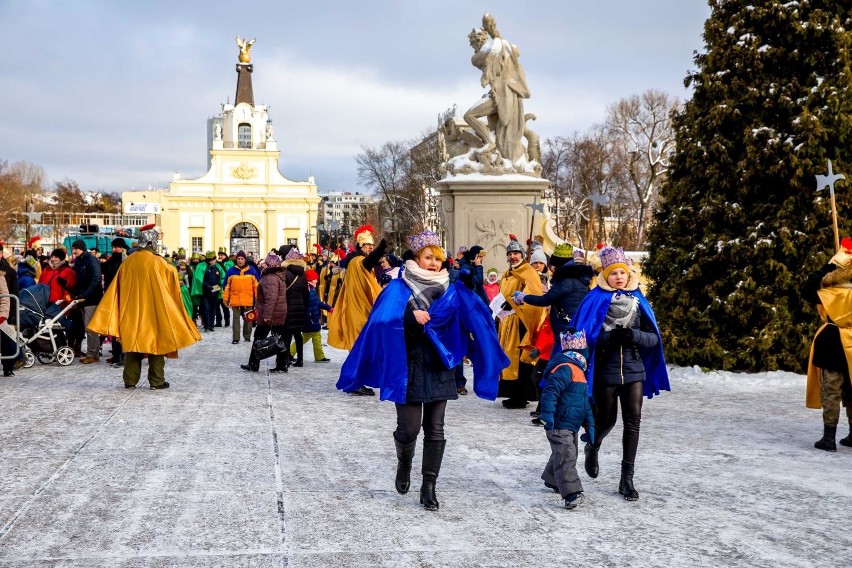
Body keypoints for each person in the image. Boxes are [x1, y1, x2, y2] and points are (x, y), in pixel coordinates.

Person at [337, 230, 509, 511]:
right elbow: (379, 320)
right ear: (417, 258)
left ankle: (429, 485)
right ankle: (404, 462)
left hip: (441, 366)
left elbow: (475, 317)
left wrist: (477, 340)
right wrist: (409, 315)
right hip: (407, 366)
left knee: (436, 429)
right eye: (429, 257)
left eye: (438, 259)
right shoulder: (398, 287)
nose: (434, 263)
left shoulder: (451, 290)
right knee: (409, 428)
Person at [571, 246, 669, 501]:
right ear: (606, 275)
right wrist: (607, 338)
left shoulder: (638, 301)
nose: (618, 277)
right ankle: (593, 446)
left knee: (633, 423)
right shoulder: (594, 300)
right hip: (606, 370)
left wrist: (632, 334)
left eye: (622, 273)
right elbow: (582, 337)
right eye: (613, 273)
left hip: (635, 370)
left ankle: (627, 479)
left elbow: (653, 339)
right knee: (606, 420)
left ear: (627, 275)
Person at [87, 225, 201, 390]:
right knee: (157, 344)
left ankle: (130, 380)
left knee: (133, 345)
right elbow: (173, 286)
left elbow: (116, 289)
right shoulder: (162, 263)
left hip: (131, 312)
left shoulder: (127, 263)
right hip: (156, 311)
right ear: (152, 242)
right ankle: (157, 381)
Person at [514, 243, 593, 423]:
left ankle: (549, 414)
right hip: (574, 335)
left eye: (553, 265)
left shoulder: (566, 281)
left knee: (554, 373)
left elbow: (545, 300)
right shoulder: (579, 280)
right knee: (569, 374)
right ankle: (552, 411)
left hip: (565, 336)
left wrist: (522, 297)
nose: (551, 269)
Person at [804, 237, 852, 451]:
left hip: (833, 340)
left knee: (831, 389)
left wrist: (831, 270)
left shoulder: (830, 284)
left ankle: (829, 438)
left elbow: (808, 288)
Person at [539, 329, 595, 510]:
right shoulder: (565, 368)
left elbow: (584, 404)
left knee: (566, 453)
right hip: (558, 423)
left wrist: (590, 426)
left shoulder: (579, 372)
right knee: (566, 455)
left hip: (571, 425)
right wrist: (547, 414)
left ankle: (552, 478)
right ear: (581, 353)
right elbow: (551, 392)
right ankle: (571, 493)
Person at [463, 14, 531, 163]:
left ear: (480, 39)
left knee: (469, 116)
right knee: (471, 116)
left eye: (473, 41)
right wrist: (494, 34)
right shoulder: (479, 57)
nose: (471, 45)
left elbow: (512, 50)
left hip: (502, 95)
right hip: (498, 93)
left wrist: (494, 34)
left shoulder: (494, 48)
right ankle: (490, 141)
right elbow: (493, 52)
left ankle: (490, 142)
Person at [327, 224, 386, 395]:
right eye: (368, 245)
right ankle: (355, 383)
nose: (370, 248)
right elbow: (370, 261)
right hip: (360, 312)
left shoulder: (353, 261)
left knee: (360, 349)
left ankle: (357, 381)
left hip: (356, 310)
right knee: (361, 350)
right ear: (361, 246)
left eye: (372, 246)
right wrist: (380, 250)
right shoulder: (359, 261)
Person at [496, 235, 544, 409]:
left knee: (520, 359)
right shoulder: (507, 274)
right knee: (510, 357)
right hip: (507, 322)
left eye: (516, 253)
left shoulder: (528, 272)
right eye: (510, 253)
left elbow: (534, 295)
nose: (513, 256)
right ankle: (512, 393)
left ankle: (521, 396)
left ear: (522, 255)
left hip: (521, 321)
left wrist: (517, 302)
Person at [242, 252, 289, 373]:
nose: (263, 265)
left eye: (265, 263)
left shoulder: (270, 278)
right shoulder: (278, 275)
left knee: (258, 337)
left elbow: (271, 298)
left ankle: (254, 363)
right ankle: (282, 364)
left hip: (270, 314)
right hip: (278, 312)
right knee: (279, 339)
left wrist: (267, 315)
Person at [71, 239, 103, 364]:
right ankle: (93, 353)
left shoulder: (91, 260)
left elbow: (96, 279)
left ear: (82, 248)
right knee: (88, 327)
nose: (74, 251)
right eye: (73, 249)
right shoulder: (80, 261)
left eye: (76, 249)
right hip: (83, 298)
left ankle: (92, 353)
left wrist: (85, 294)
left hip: (92, 298)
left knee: (90, 327)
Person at [294, 269, 332, 363]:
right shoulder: (309, 291)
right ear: (310, 279)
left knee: (304, 338)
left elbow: (317, 303)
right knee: (316, 338)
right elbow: (311, 305)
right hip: (311, 318)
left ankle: (290, 353)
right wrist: (310, 317)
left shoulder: (311, 289)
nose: (317, 280)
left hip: (310, 318)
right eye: (315, 279)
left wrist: (328, 308)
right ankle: (319, 356)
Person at [101, 237, 128, 367]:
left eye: (116, 247)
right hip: (112, 295)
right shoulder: (113, 259)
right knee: (113, 326)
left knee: (122, 328)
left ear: (122, 247)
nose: (114, 250)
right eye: (113, 247)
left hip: (123, 297)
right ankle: (116, 354)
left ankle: (124, 355)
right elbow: (105, 269)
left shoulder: (126, 260)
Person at [223, 250, 259, 345]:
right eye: (238, 259)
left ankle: (247, 336)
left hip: (248, 299)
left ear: (245, 259)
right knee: (235, 320)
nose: (240, 260)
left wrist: (257, 298)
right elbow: (226, 286)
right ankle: (236, 338)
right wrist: (226, 298)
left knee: (248, 319)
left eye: (242, 259)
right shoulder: (231, 271)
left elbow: (256, 286)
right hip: (235, 299)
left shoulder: (252, 270)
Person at [282, 248, 309, 368]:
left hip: (288, 308)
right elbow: (306, 293)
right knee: (298, 335)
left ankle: (286, 359)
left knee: (287, 335)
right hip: (300, 308)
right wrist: (305, 308)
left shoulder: (285, 274)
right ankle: (300, 360)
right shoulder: (303, 275)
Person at [0, 273, 18, 377]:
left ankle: (8, 366)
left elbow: (5, 299)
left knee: (7, 339)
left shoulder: (0, 277)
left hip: (0, 316)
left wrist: (3, 316)